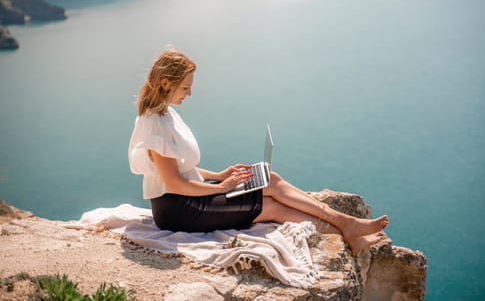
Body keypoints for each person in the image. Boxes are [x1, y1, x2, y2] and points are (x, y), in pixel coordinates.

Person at [128, 49, 389, 253]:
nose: (190, 93)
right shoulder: (155, 124)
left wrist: (219, 176)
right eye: (185, 87)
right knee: (274, 207)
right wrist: (221, 188)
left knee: (270, 179)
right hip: (180, 211)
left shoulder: (166, 115)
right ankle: (348, 232)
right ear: (165, 83)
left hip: (188, 198)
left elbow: (179, 168)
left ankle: (346, 224)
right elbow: (173, 182)